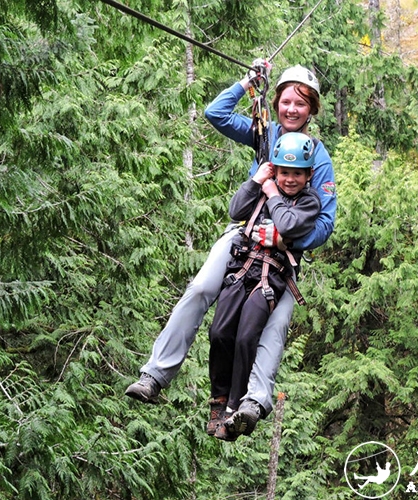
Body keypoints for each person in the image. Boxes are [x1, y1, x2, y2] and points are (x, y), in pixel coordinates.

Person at [125, 62, 336, 439]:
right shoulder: (263, 134)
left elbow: (324, 225)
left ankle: (252, 403)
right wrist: (247, 82)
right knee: (202, 288)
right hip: (243, 236)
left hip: (282, 253)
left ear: (312, 110)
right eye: (285, 101)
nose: (292, 109)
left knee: (275, 325)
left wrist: (284, 239)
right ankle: (155, 375)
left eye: (300, 104)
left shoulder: (316, 157)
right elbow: (215, 113)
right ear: (275, 104)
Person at [208, 132, 321, 441]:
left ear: (309, 174)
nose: (290, 179)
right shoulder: (264, 187)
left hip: (270, 277)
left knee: (246, 337)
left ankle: (235, 408)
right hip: (241, 268)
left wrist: (271, 190)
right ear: (276, 169)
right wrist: (256, 181)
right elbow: (236, 211)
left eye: (298, 173)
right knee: (219, 333)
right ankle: (219, 400)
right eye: (285, 172)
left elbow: (287, 225)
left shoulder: (309, 201)